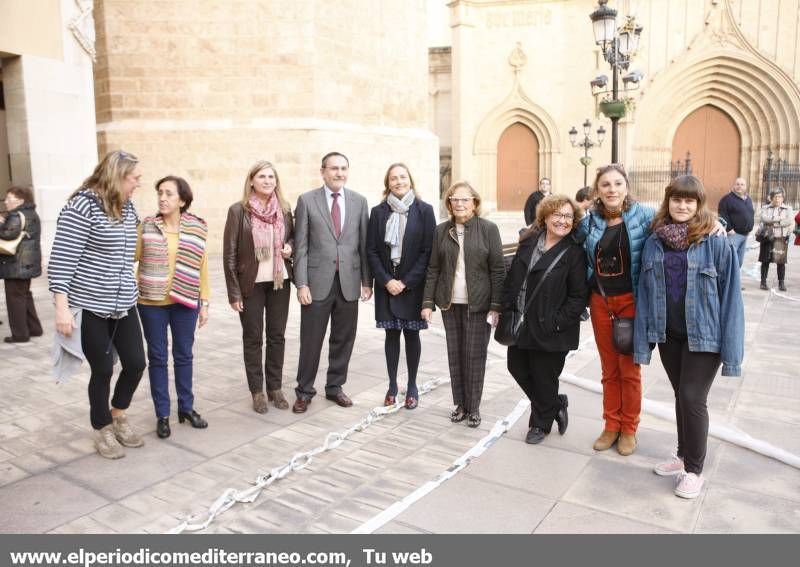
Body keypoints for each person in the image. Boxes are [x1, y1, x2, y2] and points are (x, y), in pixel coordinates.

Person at [634, 175, 744, 499]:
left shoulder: (716, 242)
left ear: (699, 205)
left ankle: (694, 470)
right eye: (677, 199)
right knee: (681, 395)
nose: (682, 206)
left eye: (689, 201)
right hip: (669, 336)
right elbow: (644, 291)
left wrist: (732, 354)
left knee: (693, 398)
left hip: (705, 337)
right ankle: (682, 454)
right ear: (668, 202)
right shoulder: (655, 240)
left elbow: (732, 298)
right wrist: (644, 343)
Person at [48, 150, 146, 459]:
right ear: (117, 176)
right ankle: (102, 427)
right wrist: (62, 308)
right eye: (135, 178)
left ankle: (118, 414)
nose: (138, 184)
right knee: (102, 369)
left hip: (124, 302)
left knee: (136, 363)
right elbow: (61, 261)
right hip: (89, 304)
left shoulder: (128, 209)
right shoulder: (82, 207)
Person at [577, 164, 655, 456]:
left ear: (627, 187)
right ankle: (611, 424)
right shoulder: (590, 221)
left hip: (630, 301)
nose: (612, 189)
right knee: (609, 368)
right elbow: (559, 229)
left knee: (629, 370)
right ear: (597, 190)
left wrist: (714, 224)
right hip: (601, 301)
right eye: (605, 184)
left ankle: (629, 428)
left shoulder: (645, 216)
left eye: (617, 184)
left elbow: (683, 220)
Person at [504, 195, 588, 444]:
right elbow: (513, 277)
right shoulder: (529, 241)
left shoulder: (573, 253)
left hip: (552, 328)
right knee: (516, 367)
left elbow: (578, 296)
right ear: (545, 216)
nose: (562, 221)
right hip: (522, 321)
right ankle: (555, 403)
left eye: (568, 216)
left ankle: (539, 425)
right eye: (557, 215)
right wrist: (503, 307)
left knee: (543, 376)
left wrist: (556, 322)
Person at [292, 152, 372, 413]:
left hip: (348, 282)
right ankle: (304, 391)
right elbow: (301, 246)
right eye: (334, 168)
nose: (339, 173)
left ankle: (335, 387)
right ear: (323, 171)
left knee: (343, 338)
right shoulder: (307, 200)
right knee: (311, 340)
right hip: (316, 283)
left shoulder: (359, 202)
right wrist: (301, 283)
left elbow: (363, 245)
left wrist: (366, 281)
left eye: (344, 168)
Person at [422, 181, 505, 427]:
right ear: (449, 203)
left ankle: (474, 407)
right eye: (454, 199)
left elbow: (498, 270)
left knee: (475, 356)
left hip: (478, 305)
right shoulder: (440, 231)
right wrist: (427, 302)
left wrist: (496, 305)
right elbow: (433, 268)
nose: (459, 204)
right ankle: (460, 404)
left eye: (464, 199)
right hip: (450, 303)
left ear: (475, 203)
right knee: (455, 355)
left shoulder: (489, 229)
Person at [137, 176, 210, 439]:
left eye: (169, 194)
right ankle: (163, 414)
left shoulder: (197, 227)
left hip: (186, 301)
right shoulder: (146, 226)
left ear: (182, 199)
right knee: (157, 358)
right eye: (159, 193)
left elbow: (202, 268)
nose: (162, 198)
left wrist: (205, 303)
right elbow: (132, 257)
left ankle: (187, 408)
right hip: (151, 303)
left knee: (184, 355)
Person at [224, 160, 294, 414]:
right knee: (253, 338)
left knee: (277, 336)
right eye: (262, 176)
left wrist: (291, 247)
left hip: (279, 281)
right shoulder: (238, 211)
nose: (267, 181)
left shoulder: (284, 209)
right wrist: (233, 292)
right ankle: (257, 391)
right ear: (251, 180)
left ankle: (275, 387)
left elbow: (293, 237)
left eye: (271, 177)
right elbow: (229, 253)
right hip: (250, 284)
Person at [366, 163, 436, 409]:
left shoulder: (424, 211)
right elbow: (372, 250)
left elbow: (428, 252)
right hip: (387, 284)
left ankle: (413, 385)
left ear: (410, 180)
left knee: (412, 335)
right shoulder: (378, 212)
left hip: (412, 286)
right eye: (393, 178)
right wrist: (386, 281)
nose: (398, 182)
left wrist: (406, 282)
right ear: (388, 183)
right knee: (391, 335)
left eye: (402, 177)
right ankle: (392, 386)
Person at [0, 186, 43, 343]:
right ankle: (34, 328)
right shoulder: (31, 213)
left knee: (15, 299)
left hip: (16, 265)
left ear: (20, 200)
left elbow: (7, 233)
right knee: (24, 295)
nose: (6, 202)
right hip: (27, 264)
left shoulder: (17, 215)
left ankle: (20, 334)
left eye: (9, 199)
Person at [758, 187, 794, 291]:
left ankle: (781, 283)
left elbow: (789, 221)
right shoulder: (765, 208)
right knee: (765, 260)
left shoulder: (788, 209)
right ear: (771, 198)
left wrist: (773, 223)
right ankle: (763, 282)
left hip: (780, 238)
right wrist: (780, 221)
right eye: (775, 197)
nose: (777, 199)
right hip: (767, 238)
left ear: (783, 198)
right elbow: (763, 218)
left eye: (779, 197)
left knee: (781, 262)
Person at [717, 177, 754, 268]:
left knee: (739, 262)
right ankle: (726, 281)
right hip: (734, 235)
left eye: (742, 184)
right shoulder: (726, 199)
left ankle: (734, 281)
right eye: (737, 184)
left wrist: (750, 227)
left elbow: (751, 213)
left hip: (745, 235)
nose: (739, 186)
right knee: (729, 261)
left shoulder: (748, 199)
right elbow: (722, 215)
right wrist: (729, 229)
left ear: (745, 186)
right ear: (734, 185)